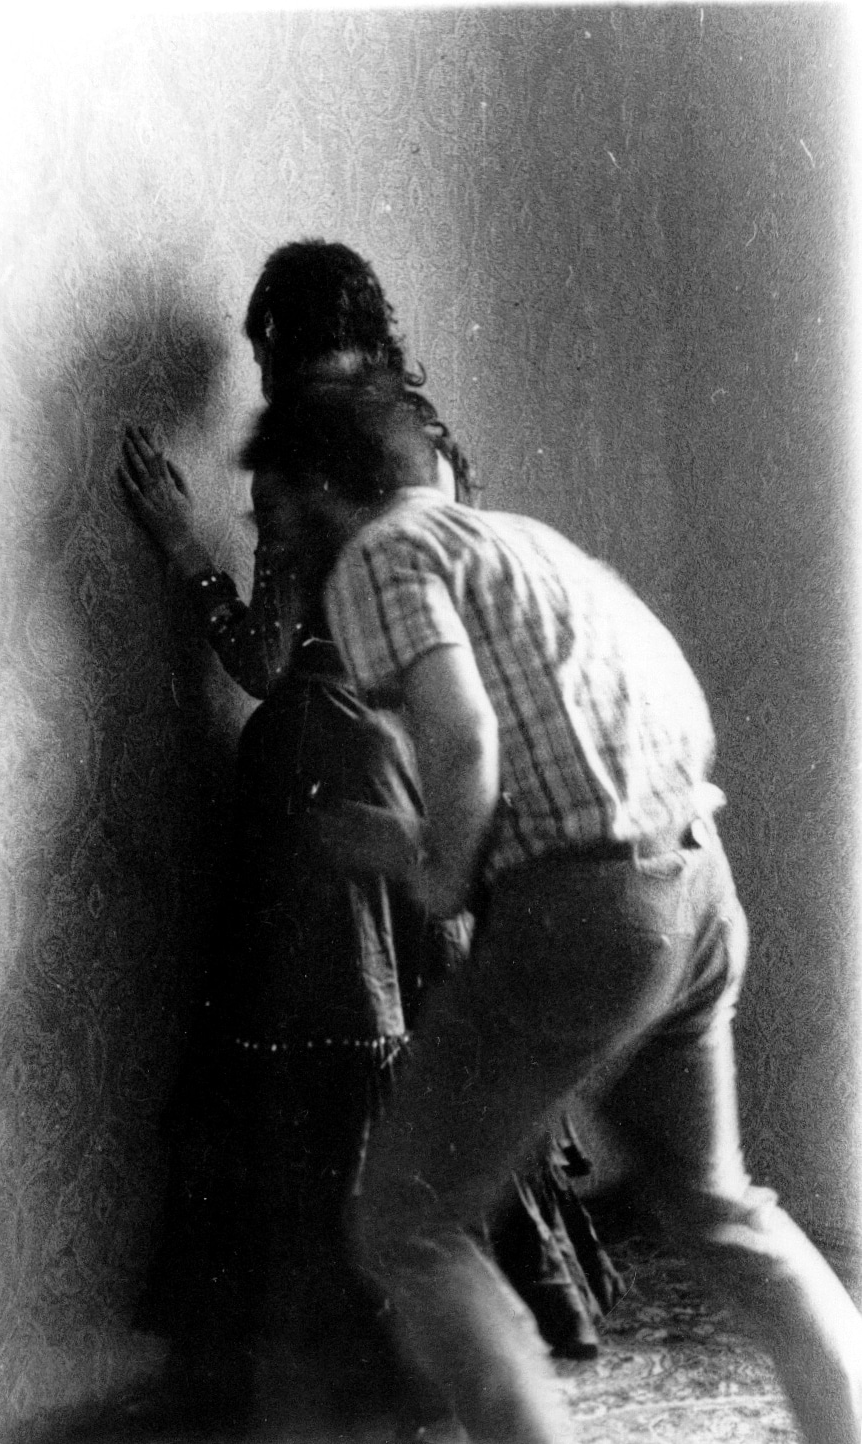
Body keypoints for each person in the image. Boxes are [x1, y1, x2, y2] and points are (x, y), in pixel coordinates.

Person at [245, 370, 862, 1444]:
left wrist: (436, 876)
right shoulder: (526, 546)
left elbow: (465, 736)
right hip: (696, 888)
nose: (278, 543)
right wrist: (433, 844)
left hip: (590, 915)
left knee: (405, 1219)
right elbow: (647, 725)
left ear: (326, 487)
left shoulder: (382, 553)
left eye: (278, 513)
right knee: (718, 1204)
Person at [116, 241, 623, 1435]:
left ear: (280, 346)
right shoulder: (431, 444)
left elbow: (264, 658)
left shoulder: (305, 455)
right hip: (423, 761)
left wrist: (181, 543)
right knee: (415, 1044)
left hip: (319, 772)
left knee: (325, 1058)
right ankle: (444, 1357)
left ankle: (346, 1370)